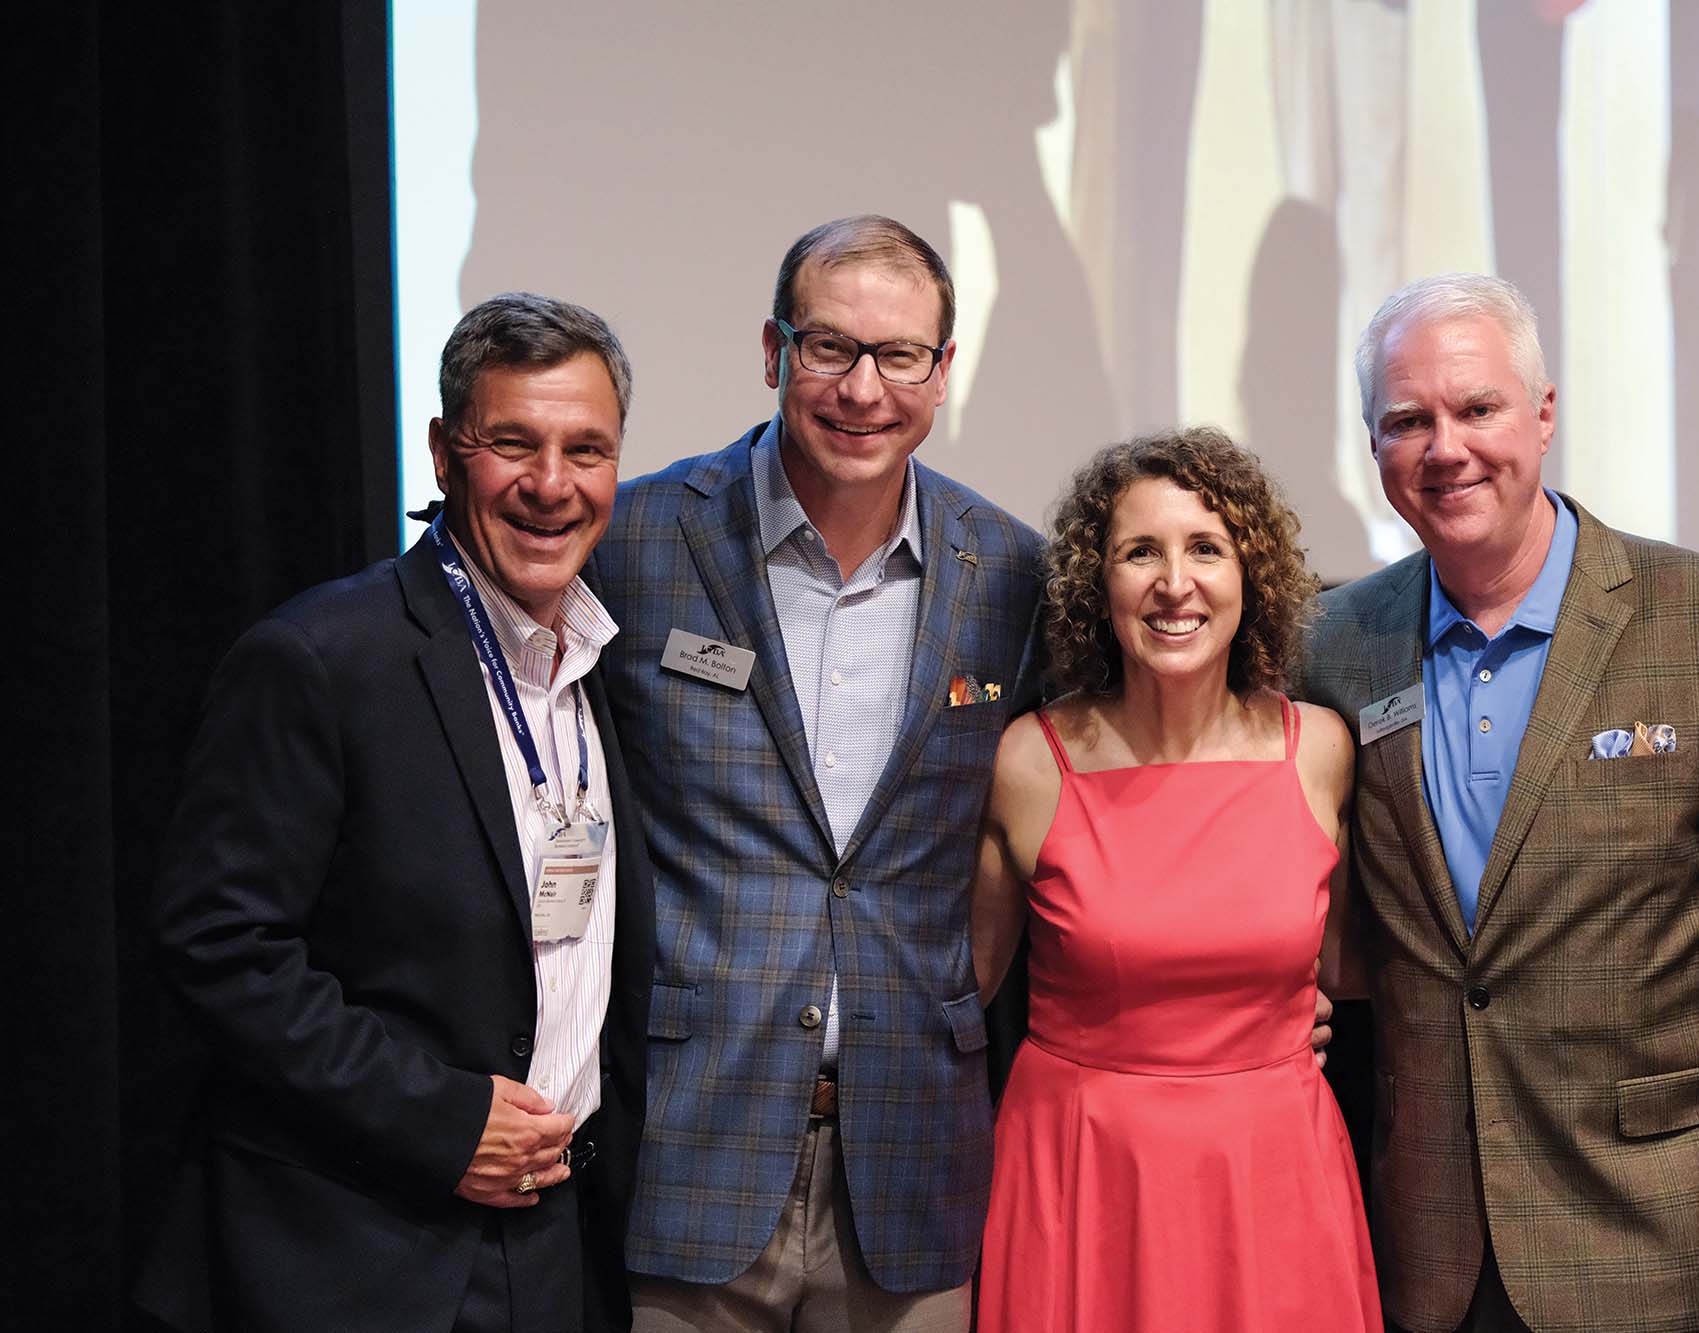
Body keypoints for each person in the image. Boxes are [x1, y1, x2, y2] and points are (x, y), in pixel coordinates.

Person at [1300, 273, 1699, 1333]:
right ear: (1372, 447)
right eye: (1406, 420)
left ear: (1543, 415)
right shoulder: (1329, 645)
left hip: (1655, 1231)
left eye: (1475, 409)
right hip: (1428, 1235)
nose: (1444, 447)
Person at [137, 293, 652, 1332]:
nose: (551, 485)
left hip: (556, 1246)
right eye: (513, 443)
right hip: (357, 1253)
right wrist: (443, 1119)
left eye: (585, 450)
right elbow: (219, 947)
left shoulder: (601, 668)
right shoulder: (321, 659)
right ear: (442, 453)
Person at [590, 216, 1046, 1330]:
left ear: (942, 373)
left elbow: (1056, 830)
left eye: (899, 356)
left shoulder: (1010, 577)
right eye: (828, 347)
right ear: (773, 351)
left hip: (913, 1156)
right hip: (691, 1143)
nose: (861, 389)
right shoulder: (638, 541)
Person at [971, 428, 1385, 1331]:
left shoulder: (1319, 749)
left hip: (1275, 1174)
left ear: (1253, 575)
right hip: (1081, 1173)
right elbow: (966, 990)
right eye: (1139, 552)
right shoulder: (1031, 762)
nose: (1175, 582)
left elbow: (1347, 970)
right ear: (1097, 582)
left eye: (1207, 547)